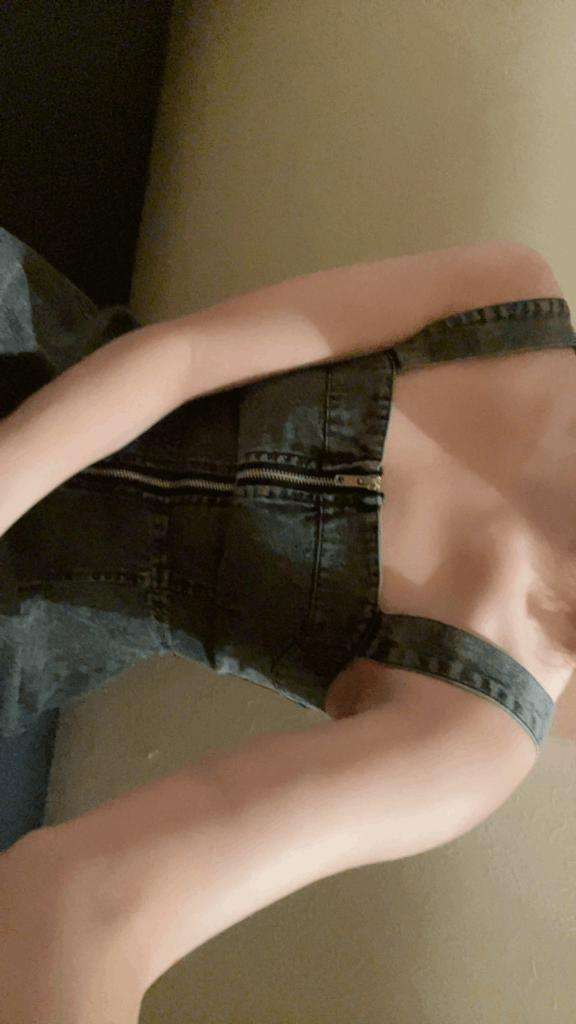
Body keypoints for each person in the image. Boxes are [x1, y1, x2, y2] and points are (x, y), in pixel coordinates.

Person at [0, 230, 572, 1020]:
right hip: (26, 346)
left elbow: (80, 903)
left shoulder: (475, 739)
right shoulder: (505, 298)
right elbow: (180, 358)